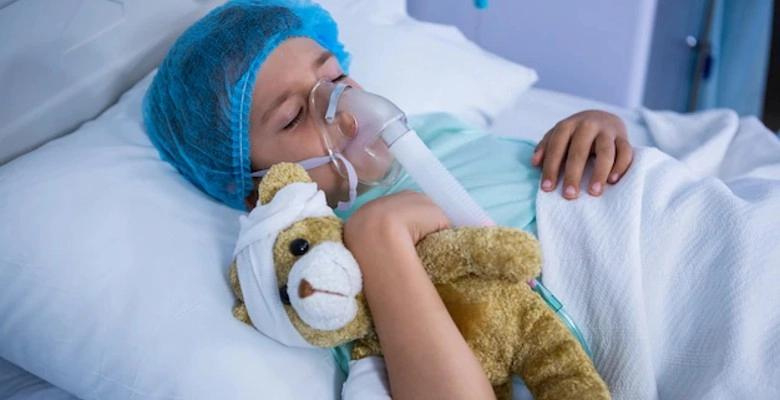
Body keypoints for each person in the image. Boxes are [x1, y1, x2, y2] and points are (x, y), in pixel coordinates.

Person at [143, 1, 633, 398]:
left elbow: (565, 176)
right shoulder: (334, 269)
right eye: (293, 117)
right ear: (256, 188)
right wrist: (380, 235)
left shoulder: (439, 133)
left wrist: (596, 128)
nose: (342, 108)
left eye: (335, 79)